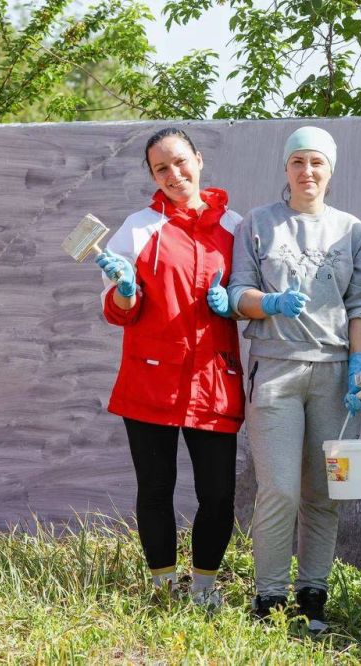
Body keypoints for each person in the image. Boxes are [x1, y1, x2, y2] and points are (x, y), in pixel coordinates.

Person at [227, 126, 361, 633]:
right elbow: (235, 294)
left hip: (336, 373)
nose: (307, 172)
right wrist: (267, 304)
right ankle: (268, 598)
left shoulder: (351, 229)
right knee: (280, 490)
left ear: (330, 171)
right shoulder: (258, 224)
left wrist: (360, 362)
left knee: (325, 494)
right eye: (298, 162)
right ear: (285, 169)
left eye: (317, 163)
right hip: (276, 368)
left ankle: (312, 596)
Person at [94, 127, 244, 609]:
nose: (174, 174)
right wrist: (124, 289)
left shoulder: (238, 228)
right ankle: (162, 583)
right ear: (152, 175)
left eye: (180, 162)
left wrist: (235, 305)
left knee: (218, 493)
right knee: (156, 489)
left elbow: (250, 299)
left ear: (199, 160)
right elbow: (116, 310)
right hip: (150, 377)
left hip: (214, 382)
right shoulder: (138, 229)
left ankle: (203, 586)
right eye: (162, 168)